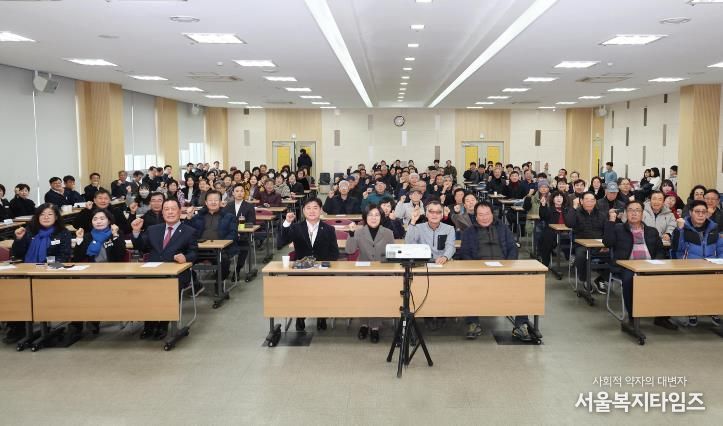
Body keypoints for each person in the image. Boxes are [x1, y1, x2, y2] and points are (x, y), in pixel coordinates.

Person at [460, 201, 533, 341]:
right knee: (468, 282)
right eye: (480, 215)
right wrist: (476, 268)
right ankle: (473, 322)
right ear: (476, 216)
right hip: (478, 270)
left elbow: (512, 248)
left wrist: (508, 266)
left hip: (504, 268)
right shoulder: (469, 232)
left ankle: (521, 324)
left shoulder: (503, 228)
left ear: (492, 214)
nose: (484, 217)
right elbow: (465, 253)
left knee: (523, 282)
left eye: (487, 214)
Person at [602, 201, 676, 330]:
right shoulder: (618, 229)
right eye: (630, 210)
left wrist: (656, 263)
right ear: (626, 213)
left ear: (642, 214)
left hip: (649, 266)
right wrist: (611, 221)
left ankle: (662, 317)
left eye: (637, 210)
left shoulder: (652, 231)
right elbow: (607, 242)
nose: (634, 213)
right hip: (626, 266)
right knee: (630, 279)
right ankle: (633, 316)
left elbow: (660, 251)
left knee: (667, 278)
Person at [131, 199, 198, 340]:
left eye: (173, 209)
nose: (170, 212)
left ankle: (163, 323)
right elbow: (141, 247)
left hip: (176, 274)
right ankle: (149, 323)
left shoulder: (189, 231)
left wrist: (185, 257)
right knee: (141, 285)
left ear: (180, 211)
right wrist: (136, 232)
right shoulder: (153, 229)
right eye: (166, 209)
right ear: (162, 213)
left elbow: (194, 253)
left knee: (168, 286)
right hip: (152, 272)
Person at [5, 204, 72, 343]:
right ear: (37, 217)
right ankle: (17, 327)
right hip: (27, 271)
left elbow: (64, 257)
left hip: (51, 273)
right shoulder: (29, 231)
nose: (46, 217)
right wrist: (19, 239)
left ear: (56, 217)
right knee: (13, 291)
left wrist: (46, 266)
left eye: (50, 214)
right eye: (42, 214)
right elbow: (17, 254)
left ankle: (42, 321)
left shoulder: (63, 232)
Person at [277, 198, 339, 331]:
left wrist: (322, 265)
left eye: (315, 208)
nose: (312, 211)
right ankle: (300, 316)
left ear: (321, 210)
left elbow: (334, 253)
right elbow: (280, 243)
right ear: (303, 211)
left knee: (323, 289)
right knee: (300, 290)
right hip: (301, 270)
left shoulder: (329, 229)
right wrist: (287, 222)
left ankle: (321, 316)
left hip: (322, 271)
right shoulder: (296, 227)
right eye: (308, 208)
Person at [69, 208, 127, 337]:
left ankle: (93, 320)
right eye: (95, 219)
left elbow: (120, 255)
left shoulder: (115, 233)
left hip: (111, 273)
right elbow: (77, 258)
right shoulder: (88, 236)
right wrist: (79, 240)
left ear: (109, 221)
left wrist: (116, 236)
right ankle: (77, 323)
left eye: (102, 218)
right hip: (91, 272)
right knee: (77, 289)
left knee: (91, 288)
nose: (98, 221)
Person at [345, 205, 395, 343]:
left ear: (381, 217)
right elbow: (350, 250)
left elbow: (392, 255)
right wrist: (351, 234)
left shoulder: (388, 233)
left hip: (382, 272)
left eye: (377, 215)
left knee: (377, 298)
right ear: (365, 217)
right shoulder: (359, 231)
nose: (373, 218)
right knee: (363, 297)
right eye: (370, 215)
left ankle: (374, 326)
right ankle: (364, 324)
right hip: (363, 271)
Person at [671, 200, 723, 327]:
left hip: (711, 267)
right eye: (697, 211)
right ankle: (692, 311)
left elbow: (721, 249)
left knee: (717, 281)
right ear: (690, 212)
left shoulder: (713, 228)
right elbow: (676, 249)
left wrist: (720, 265)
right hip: (689, 267)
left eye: (703, 212)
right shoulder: (683, 228)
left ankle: (714, 309)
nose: (700, 214)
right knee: (694, 281)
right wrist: (679, 230)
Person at [188, 190, 238, 282]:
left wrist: (222, 244)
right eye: (210, 200)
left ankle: (219, 284)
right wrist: (189, 218)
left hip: (220, 250)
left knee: (224, 261)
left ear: (220, 202)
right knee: (184, 261)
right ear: (206, 202)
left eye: (216, 200)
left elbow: (233, 234)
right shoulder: (198, 216)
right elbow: (187, 232)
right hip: (199, 249)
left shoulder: (229, 216)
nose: (213, 202)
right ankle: (196, 284)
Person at [565, 192, 608, 292]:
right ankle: (585, 280)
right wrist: (574, 207)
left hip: (599, 245)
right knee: (580, 256)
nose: (589, 202)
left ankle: (601, 279)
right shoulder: (576, 212)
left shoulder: (601, 214)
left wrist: (606, 245)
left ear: (595, 202)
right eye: (587, 200)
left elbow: (606, 231)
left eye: (592, 200)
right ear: (581, 201)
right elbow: (569, 224)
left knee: (616, 255)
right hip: (582, 245)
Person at [223, 184, 256, 272]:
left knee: (244, 246)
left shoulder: (249, 206)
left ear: (244, 193)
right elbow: (224, 222)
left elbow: (252, 222)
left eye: (241, 191)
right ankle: (224, 270)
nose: (239, 193)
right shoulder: (228, 206)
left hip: (243, 235)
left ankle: (238, 269)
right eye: (237, 191)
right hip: (230, 235)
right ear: (233, 193)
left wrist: (240, 228)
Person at [537, 191, 571, 267]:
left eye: (561, 197)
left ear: (563, 199)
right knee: (547, 236)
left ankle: (571, 258)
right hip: (552, 233)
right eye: (557, 197)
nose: (559, 198)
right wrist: (543, 205)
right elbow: (543, 216)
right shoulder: (549, 209)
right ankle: (545, 262)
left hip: (567, 233)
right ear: (553, 199)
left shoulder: (567, 209)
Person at [523, 178, 550, 250]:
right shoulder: (532, 198)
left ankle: (547, 249)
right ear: (538, 188)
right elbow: (525, 208)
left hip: (548, 222)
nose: (543, 189)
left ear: (548, 189)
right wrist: (529, 195)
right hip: (534, 222)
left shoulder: (552, 198)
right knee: (538, 229)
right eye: (541, 187)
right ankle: (538, 250)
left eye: (545, 187)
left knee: (549, 230)